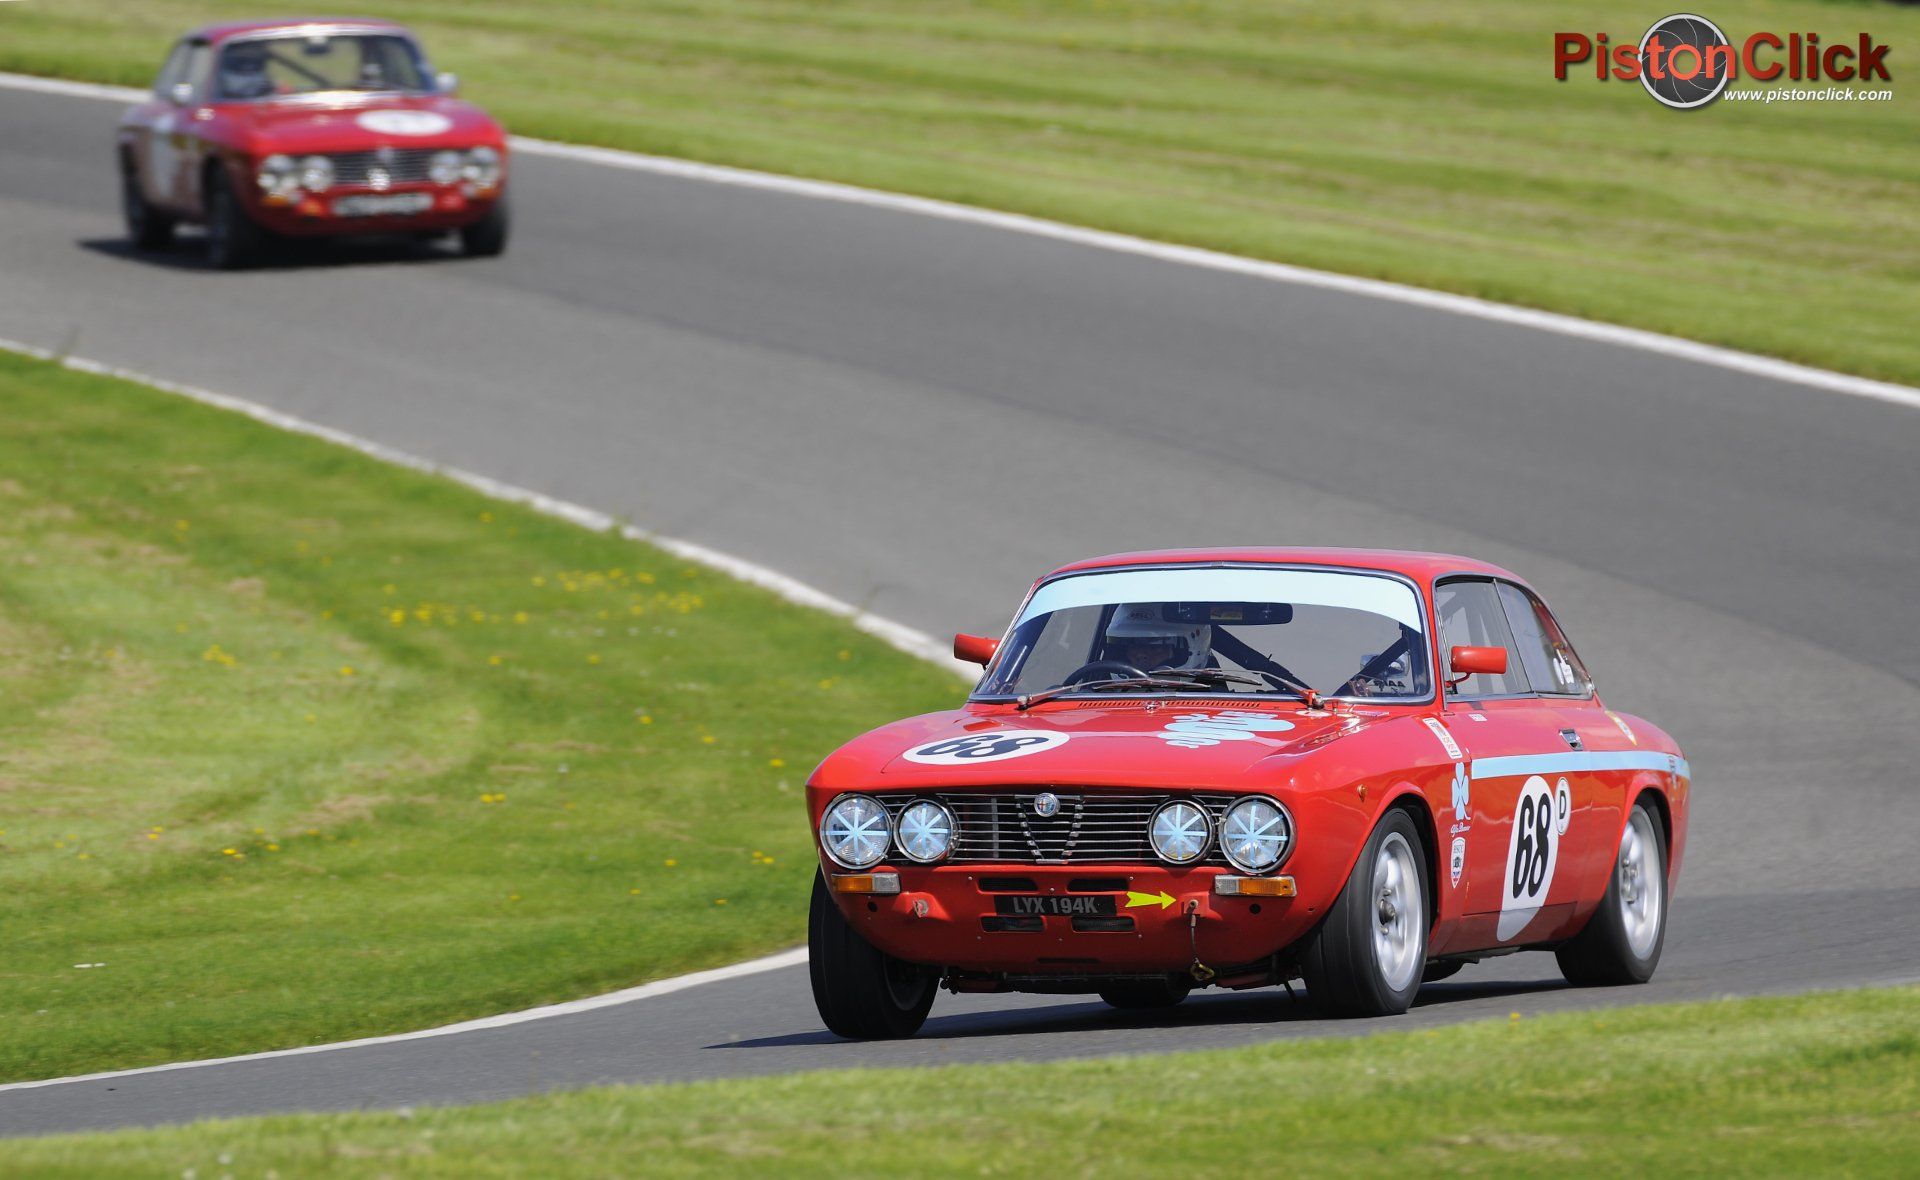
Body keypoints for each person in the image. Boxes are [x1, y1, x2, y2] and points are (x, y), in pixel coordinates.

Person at [1103, 604, 1211, 672]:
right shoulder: (1094, 688)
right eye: (1134, 645)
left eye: (1156, 647)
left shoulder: (1212, 704)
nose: (1141, 654)